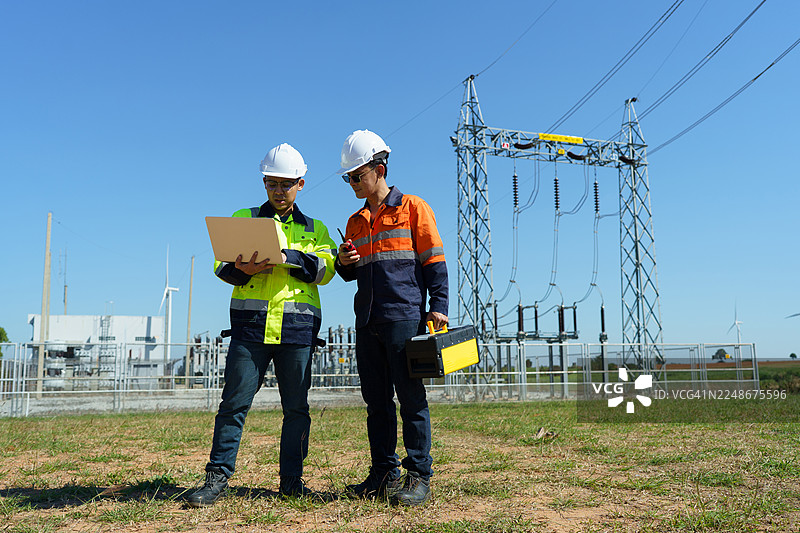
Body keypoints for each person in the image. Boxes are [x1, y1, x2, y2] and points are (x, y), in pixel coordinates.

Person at [187, 143, 337, 507]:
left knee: (296, 410)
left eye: (286, 185)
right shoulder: (244, 217)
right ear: (264, 182)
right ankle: (216, 478)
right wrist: (244, 269)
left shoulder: (315, 229)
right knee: (233, 405)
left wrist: (287, 257)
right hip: (251, 330)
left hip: (297, 333)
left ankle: (292, 482)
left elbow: (326, 269)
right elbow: (221, 267)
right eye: (272, 184)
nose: (278, 191)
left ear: (300, 184)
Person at [334, 130, 448, 506]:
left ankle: (419, 475)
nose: (352, 182)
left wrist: (439, 307)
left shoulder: (413, 208)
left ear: (379, 170)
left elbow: (434, 262)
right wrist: (342, 263)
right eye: (348, 177)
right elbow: (353, 272)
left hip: (404, 317)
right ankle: (383, 473)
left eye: (356, 176)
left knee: (412, 398)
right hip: (368, 321)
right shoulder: (354, 222)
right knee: (377, 402)